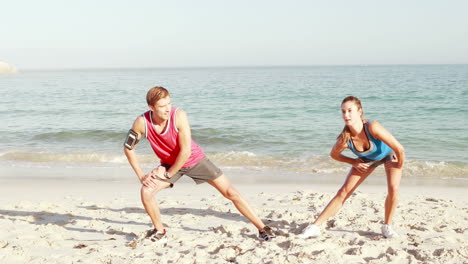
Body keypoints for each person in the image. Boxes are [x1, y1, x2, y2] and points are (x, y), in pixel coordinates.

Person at [123, 86, 275, 243]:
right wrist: (141, 175)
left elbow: (185, 152)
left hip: (194, 160)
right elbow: (128, 148)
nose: (168, 109)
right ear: (151, 107)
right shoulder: (142, 122)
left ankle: (263, 228)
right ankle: (159, 230)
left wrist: (168, 174)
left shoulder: (178, 116)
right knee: (146, 192)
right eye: (162, 106)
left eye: (169, 103)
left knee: (230, 192)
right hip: (169, 164)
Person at [300, 96, 405, 239]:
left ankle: (387, 227)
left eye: (350, 111)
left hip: (389, 155)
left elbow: (399, 148)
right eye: (343, 111)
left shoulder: (372, 127)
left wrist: (399, 164)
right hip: (366, 160)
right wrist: (353, 162)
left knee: (393, 188)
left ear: (359, 112)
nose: (346, 115)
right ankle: (315, 227)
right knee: (343, 192)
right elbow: (334, 155)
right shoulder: (345, 139)